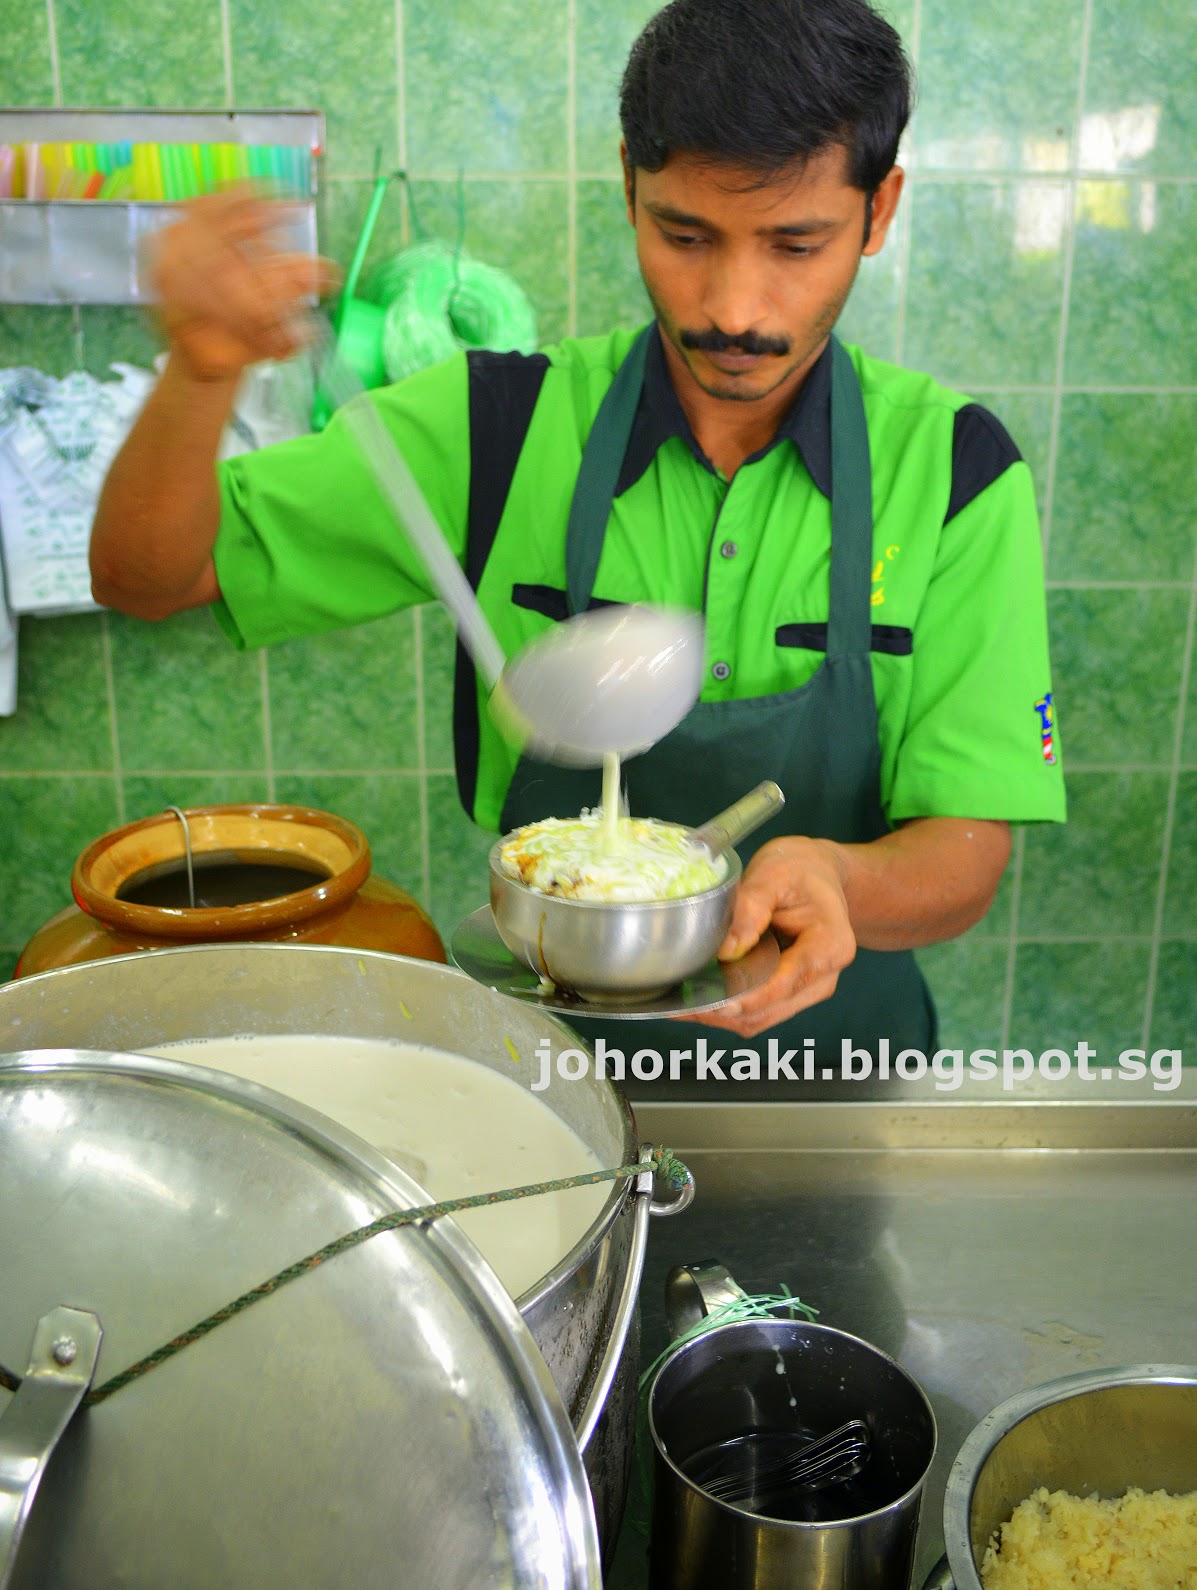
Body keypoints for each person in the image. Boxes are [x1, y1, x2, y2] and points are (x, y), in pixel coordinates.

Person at [90, 0, 1065, 1090]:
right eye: (685, 235)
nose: (734, 307)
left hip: (838, 1081)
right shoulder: (493, 430)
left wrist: (842, 877)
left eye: (798, 243)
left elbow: (969, 855)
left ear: (879, 209)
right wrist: (203, 369)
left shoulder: (955, 469)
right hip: (554, 1079)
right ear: (627, 186)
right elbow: (146, 577)